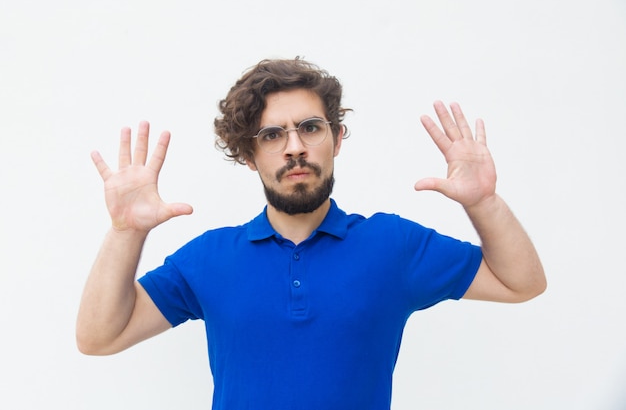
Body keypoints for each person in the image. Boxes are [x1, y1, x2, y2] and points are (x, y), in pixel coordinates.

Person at [76, 58, 546, 409]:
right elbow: (98, 337)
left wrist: (484, 203)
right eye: (273, 135)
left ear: (337, 138)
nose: (295, 147)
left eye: (310, 128)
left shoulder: (391, 246)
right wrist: (124, 232)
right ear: (249, 155)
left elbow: (521, 282)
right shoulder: (209, 259)